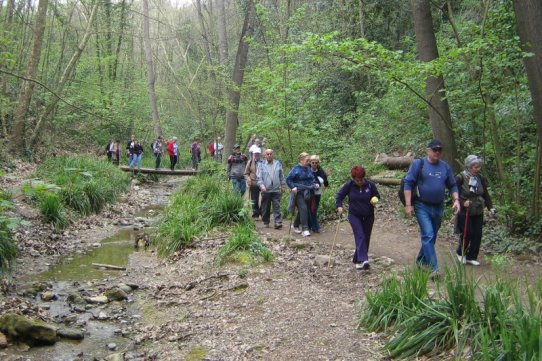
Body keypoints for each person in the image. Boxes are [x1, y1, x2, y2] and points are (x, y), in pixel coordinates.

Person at [403, 139, 460, 275]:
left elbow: (452, 185)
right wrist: (408, 205)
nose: (437, 152)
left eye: (440, 150)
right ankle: (434, 268)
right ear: (428, 150)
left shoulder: (445, 167)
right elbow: (408, 183)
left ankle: (420, 260)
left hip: (438, 207)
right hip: (422, 205)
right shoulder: (419, 164)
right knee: (428, 235)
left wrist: (456, 200)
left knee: (432, 236)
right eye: (435, 149)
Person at [336, 166, 380, 270]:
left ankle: (357, 259)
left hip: (369, 215)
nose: (359, 182)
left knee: (366, 237)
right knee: (360, 235)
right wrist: (339, 206)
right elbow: (339, 196)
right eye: (357, 180)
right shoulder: (349, 185)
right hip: (354, 215)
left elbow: (377, 196)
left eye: (361, 179)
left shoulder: (370, 185)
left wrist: (375, 200)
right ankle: (363, 260)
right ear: (353, 178)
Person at [455, 155, 495, 266]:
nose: (478, 169)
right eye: (475, 167)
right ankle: (460, 253)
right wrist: (463, 203)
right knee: (468, 233)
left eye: (479, 167)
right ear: (469, 166)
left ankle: (471, 257)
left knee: (477, 234)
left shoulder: (479, 178)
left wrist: (490, 207)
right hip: (465, 210)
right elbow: (455, 194)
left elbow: (485, 194)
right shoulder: (460, 177)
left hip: (477, 209)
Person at [286, 152, 319, 237]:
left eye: (309, 160)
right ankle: (305, 229)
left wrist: (315, 184)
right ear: (301, 160)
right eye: (307, 160)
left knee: (303, 209)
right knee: (303, 208)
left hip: (308, 192)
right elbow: (288, 179)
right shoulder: (295, 169)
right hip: (299, 192)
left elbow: (312, 179)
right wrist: (293, 187)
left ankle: (296, 225)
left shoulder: (308, 169)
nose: (308, 162)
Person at [257, 149, 286, 229]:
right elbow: (259, 178)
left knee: (277, 206)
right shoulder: (261, 165)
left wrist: (283, 185)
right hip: (266, 189)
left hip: (276, 189)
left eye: (271, 154)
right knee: (266, 207)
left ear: (273, 155)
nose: (269, 155)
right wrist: (262, 186)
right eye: (268, 154)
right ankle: (266, 221)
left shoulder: (278, 163)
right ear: (265, 155)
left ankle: (278, 222)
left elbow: (281, 176)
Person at [308, 155, 329, 233]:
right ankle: (314, 226)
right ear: (310, 162)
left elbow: (325, 181)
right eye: (313, 162)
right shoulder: (307, 169)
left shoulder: (320, 170)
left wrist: (325, 179)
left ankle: (313, 226)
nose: (314, 164)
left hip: (317, 193)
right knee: (310, 209)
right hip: (309, 192)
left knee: (314, 209)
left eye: (316, 163)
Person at [245, 148, 263, 218]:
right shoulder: (250, 162)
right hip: (253, 183)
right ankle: (255, 213)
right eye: (255, 154)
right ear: (253, 154)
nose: (256, 155)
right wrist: (248, 179)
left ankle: (261, 211)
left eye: (258, 154)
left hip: (262, 183)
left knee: (264, 198)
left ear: (260, 154)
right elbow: (246, 173)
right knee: (254, 199)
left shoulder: (263, 162)